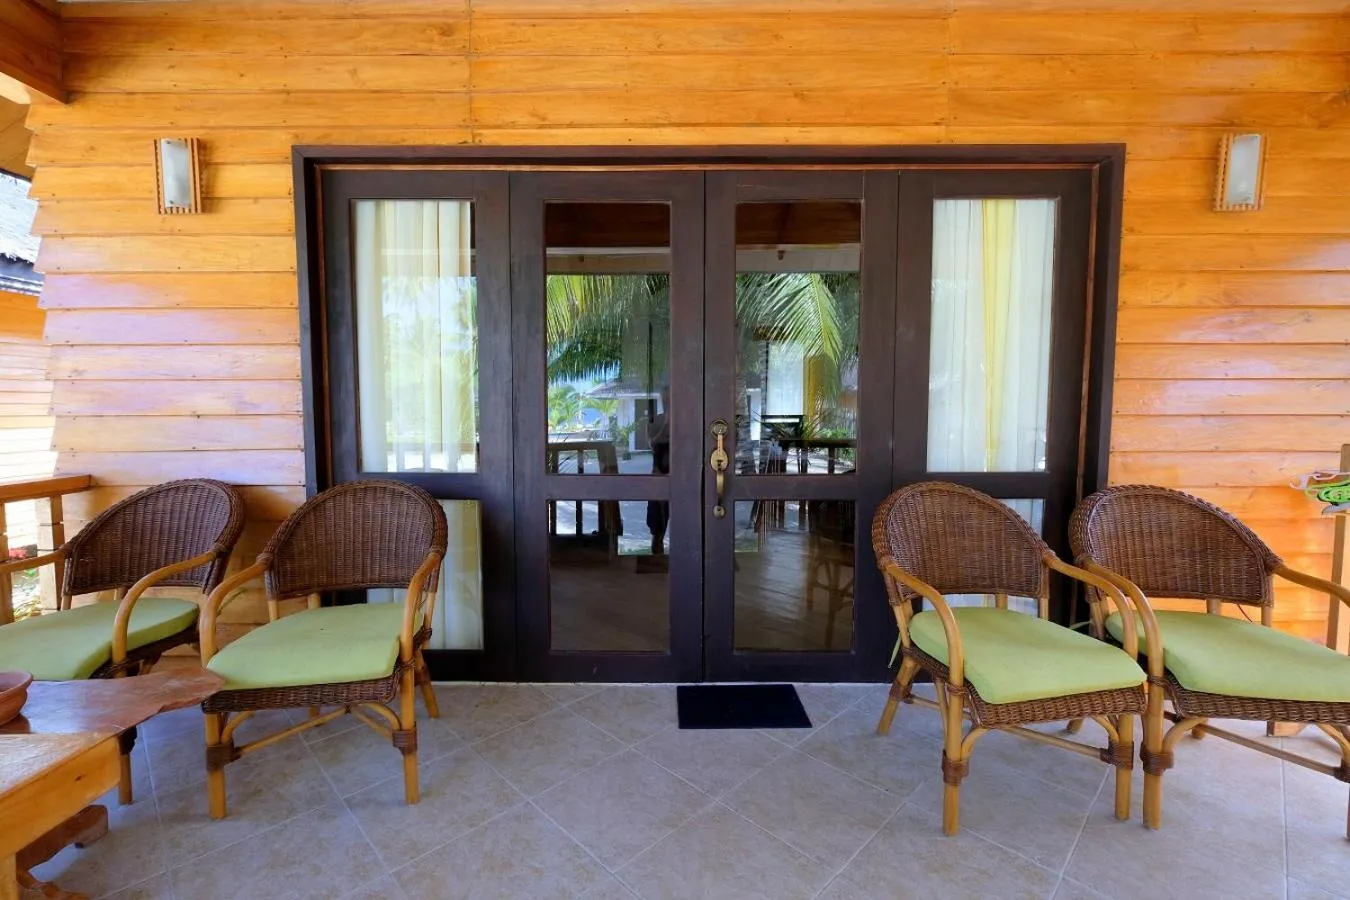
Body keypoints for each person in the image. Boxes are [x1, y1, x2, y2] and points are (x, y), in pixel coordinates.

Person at [644, 386, 671, 555]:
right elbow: (652, 443)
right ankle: (657, 542)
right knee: (657, 508)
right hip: (659, 469)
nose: (667, 400)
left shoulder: (686, 419)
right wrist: (667, 424)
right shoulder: (655, 420)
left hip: (682, 469)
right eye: (664, 397)